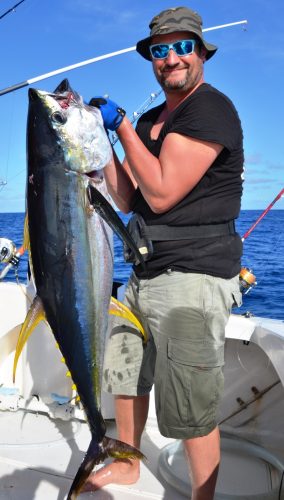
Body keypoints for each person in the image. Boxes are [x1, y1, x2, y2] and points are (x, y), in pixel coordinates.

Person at [84, 6, 243, 500]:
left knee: (190, 404)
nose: (171, 58)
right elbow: (129, 198)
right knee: (126, 374)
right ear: (151, 59)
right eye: (160, 50)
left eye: (182, 47)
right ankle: (130, 464)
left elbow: (162, 193)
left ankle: (203, 495)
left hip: (192, 277)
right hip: (141, 272)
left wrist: (123, 126)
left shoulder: (210, 110)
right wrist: (99, 140)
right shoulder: (154, 119)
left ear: (200, 52)